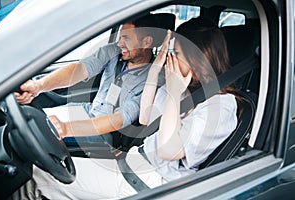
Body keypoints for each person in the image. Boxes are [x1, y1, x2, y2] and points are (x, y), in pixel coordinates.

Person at [12, 17, 240, 199]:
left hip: (144, 183)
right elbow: (145, 115)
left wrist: (171, 89)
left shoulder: (221, 106)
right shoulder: (184, 92)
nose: (170, 60)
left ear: (197, 59)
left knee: (35, 179)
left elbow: (168, 150)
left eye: (175, 55)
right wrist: (157, 67)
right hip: (131, 165)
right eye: (169, 54)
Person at [15, 14, 166, 148]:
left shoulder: (155, 78)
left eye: (126, 38)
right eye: (120, 37)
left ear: (146, 42)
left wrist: (66, 128)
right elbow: (79, 70)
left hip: (105, 132)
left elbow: (119, 119)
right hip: (89, 109)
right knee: (30, 120)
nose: (120, 43)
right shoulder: (114, 51)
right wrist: (38, 86)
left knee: (35, 135)